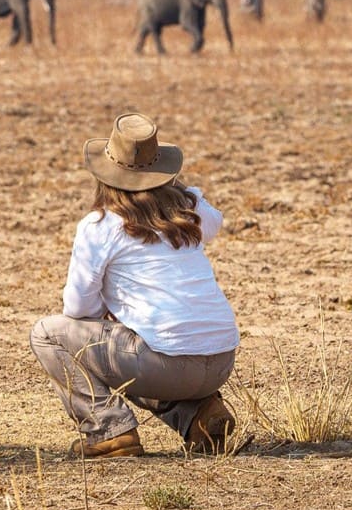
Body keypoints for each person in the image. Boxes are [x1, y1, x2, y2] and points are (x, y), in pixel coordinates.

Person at [30, 113, 240, 458]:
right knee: (140, 345)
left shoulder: (100, 226)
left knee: (48, 333)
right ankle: (201, 415)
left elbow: (78, 309)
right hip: (220, 361)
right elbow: (215, 220)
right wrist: (180, 191)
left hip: (165, 365)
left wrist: (111, 318)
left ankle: (107, 431)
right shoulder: (190, 213)